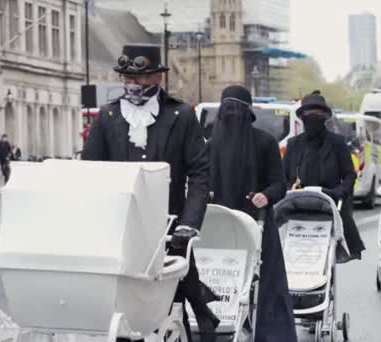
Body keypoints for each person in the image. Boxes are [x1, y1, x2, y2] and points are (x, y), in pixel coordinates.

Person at [81, 43, 217, 340]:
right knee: (120, 308)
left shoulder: (181, 115)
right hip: (120, 229)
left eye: (140, 79)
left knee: (167, 305)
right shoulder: (107, 117)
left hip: (168, 229)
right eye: (127, 79)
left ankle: (200, 324)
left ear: (158, 78)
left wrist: (189, 223)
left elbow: (199, 174)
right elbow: (89, 171)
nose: (133, 85)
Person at [208, 85, 297, 342]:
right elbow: (202, 182)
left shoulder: (265, 142)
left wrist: (266, 196)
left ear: (247, 114)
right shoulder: (211, 145)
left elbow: (279, 183)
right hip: (219, 227)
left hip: (256, 225)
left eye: (238, 110)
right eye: (228, 110)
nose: (233, 116)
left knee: (266, 284)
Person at [283, 92, 365, 260]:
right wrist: (289, 190)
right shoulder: (293, 144)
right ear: (302, 117)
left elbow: (349, 175)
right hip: (298, 204)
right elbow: (283, 176)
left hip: (330, 203)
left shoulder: (337, 142)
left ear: (325, 117)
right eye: (309, 114)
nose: (313, 118)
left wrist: (338, 192)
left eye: (317, 114)